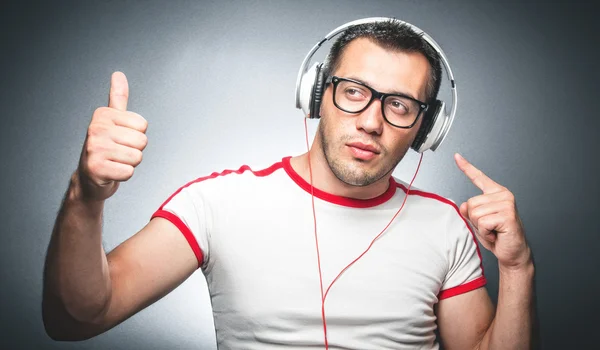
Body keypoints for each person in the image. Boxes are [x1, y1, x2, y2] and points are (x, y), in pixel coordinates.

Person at [42, 19, 535, 349]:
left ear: (425, 128)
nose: (371, 121)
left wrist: (516, 268)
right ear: (316, 95)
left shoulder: (446, 225)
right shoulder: (218, 203)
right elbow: (77, 318)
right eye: (355, 92)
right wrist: (84, 197)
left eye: (400, 105)